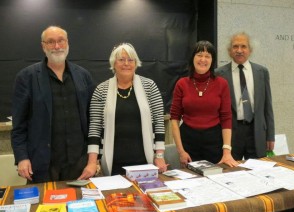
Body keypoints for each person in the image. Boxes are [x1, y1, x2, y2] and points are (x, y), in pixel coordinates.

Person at [11, 26, 96, 183]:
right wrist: (22, 158)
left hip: (80, 165)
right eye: (51, 42)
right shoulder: (26, 78)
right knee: (45, 207)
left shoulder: (83, 76)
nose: (57, 46)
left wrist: (93, 160)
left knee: (82, 206)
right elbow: (19, 125)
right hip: (42, 165)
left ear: (67, 43)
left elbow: (94, 121)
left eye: (60, 41)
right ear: (43, 46)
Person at [85, 43, 168, 176]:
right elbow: (94, 128)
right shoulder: (101, 90)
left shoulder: (150, 86)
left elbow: (159, 123)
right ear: (113, 63)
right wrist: (92, 162)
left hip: (145, 160)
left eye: (130, 60)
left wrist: (159, 156)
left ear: (136, 63)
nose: (126, 63)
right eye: (121, 59)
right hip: (113, 162)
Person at [170, 40, 238, 168]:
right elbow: (174, 119)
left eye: (207, 56)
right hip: (188, 142)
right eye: (199, 55)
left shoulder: (221, 84)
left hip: (214, 142)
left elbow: (226, 118)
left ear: (212, 60)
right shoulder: (182, 84)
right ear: (192, 58)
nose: (203, 59)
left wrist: (227, 151)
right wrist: (181, 151)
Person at [215, 32, 275, 160]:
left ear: (250, 50)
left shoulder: (261, 72)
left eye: (243, 46)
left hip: (256, 131)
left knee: (258, 171)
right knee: (230, 171)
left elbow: (267, 107)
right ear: (229, 51)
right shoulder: (219, 74)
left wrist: (270, 135)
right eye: (235, 46)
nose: (239, 50)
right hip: (231, 133)